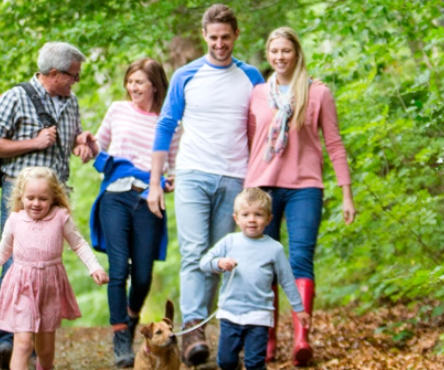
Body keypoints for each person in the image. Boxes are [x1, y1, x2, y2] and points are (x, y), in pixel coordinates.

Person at [147, 4, 264, 366]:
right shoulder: (186, 75)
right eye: (213, 38)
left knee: (217, 258)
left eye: (225, 37)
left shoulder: (252, 77)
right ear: (203, 36)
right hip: (193, 174)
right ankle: (194, 328)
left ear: (236, 35)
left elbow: (265, 125)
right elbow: (165, 126)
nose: (219, 44)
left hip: (236, 177)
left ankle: (198, 328)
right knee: (195, 253)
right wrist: (154, 182)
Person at [245, 27, 356, 365]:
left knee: (300, 261)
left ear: (297, 53)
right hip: (261, 188)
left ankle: (301, 338)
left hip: (305, 188)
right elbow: (249, 144)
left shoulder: (317, 92)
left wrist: (346, 193)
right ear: (268, 54)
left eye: (286, 51)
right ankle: (267, 336)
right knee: (264, 265)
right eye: (274, 51)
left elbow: (334, 145)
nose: (280, 56)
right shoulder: (257, 94)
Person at [0, 41, 96, 369]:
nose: (76, 82)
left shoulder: (71, 101)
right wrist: (34, 142)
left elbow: (71, 137)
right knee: (16, 261)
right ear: (55, 73)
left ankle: (35, 335)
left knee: (47, 264)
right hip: (21, 196)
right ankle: (7, 341)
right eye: (73, 76)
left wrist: (81, 144)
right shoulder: (14, 98)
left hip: (56, 196)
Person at [0, 167, 109, 370]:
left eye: (42, 199)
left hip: (50, 287)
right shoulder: (15, 220)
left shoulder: (60, 217)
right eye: (30, 198)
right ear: (21, 196)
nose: (36, 203)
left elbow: (79, 244)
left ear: (53, 197)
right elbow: (2, 252)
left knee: (46, 351)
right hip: (21, 285)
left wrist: (95, 268)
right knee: (22, 343)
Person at [86, 58, 181, 368]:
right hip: (115, 196)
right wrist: (85, 145)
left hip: (148, 199)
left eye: (139, 82)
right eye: (130, 81)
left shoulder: (170, 122)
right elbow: (97, 148)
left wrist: (170, 181)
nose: (132, 87)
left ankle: (131, 316)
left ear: (155, 85)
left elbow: (175, 165)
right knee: (118, 269)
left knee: (141, 275)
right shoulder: (117, 110)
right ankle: (121, 340)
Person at [200, 188, 311, 370]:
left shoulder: (274, 248)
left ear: (269, 219)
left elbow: (287, 280)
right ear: (236, 218)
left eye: (258, 215)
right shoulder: (230, 242)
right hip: (230, 314)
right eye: (246, 214)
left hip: (259, 316)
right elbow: (204, 262)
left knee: (255, 363)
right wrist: (219, 263)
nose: (252, 219)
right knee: (226, 361)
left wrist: (299, 309)